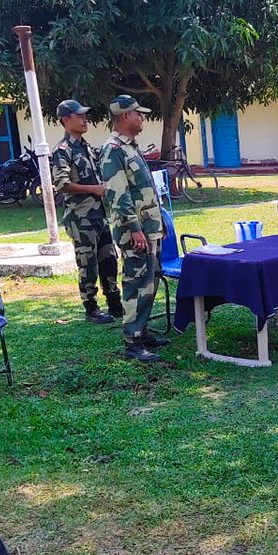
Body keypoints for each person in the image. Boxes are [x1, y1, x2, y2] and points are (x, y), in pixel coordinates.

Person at [98, 95, 165, 363]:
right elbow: (119, 195)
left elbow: (145, 191)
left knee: (150, 283)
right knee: (136, 284)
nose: (142, 118)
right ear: (125, 116)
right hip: (133, 231)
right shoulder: (113, 149)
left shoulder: (130, 147)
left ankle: (142, 330)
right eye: (138, 114)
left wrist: (157, 225)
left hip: (149, 229)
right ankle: (132, 342)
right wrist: (135, 228)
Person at [50, 99, 122, 325]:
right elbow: (61, 184)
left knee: (109, 259)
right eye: (79, 116)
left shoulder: (86, 147)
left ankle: (114, 302)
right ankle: (91, 307)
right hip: (80, 217)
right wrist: (94, 189)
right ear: (65, 120)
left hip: (99, 214)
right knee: (88, 262)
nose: (84, 119)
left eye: (84, 115)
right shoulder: (63, 151)